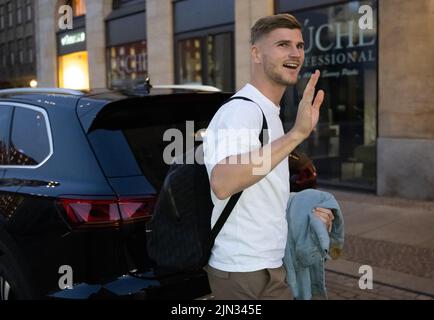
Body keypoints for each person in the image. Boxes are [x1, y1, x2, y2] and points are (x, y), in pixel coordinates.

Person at [203, 13, 334, 300]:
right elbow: (224, 182)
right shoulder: (242, 111)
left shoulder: (268, 113)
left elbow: (260, 188)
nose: (295, 53)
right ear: (256, 53)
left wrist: (304, 211)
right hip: (243, 272)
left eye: (299, 46)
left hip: (267, 264)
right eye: (283, 44)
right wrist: (296, 135)